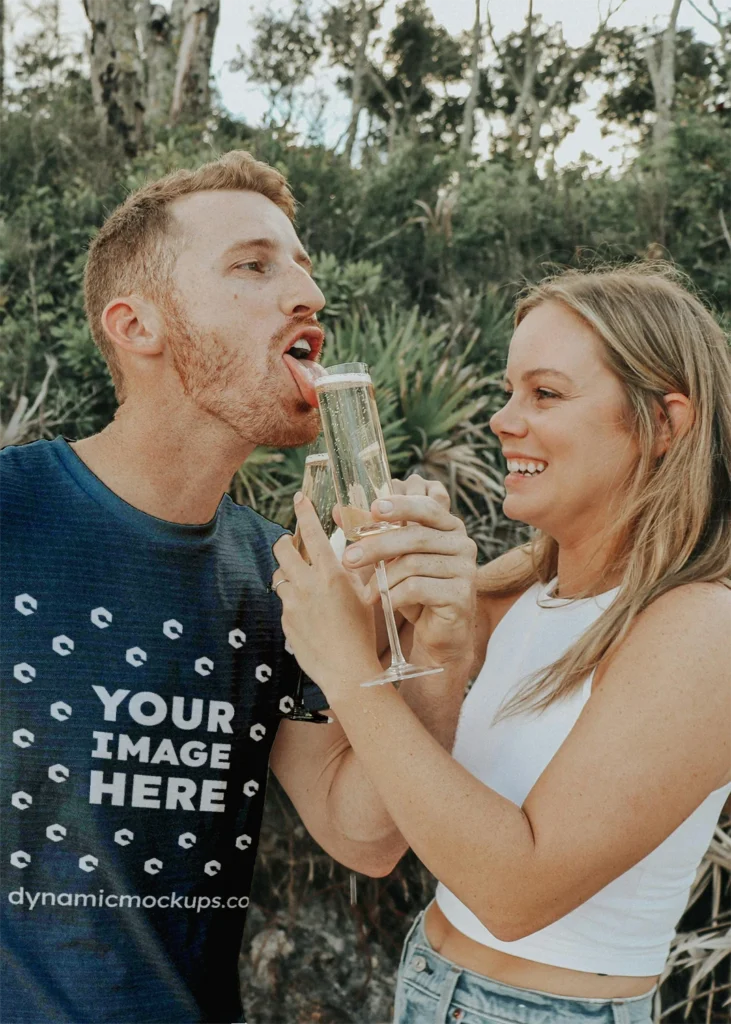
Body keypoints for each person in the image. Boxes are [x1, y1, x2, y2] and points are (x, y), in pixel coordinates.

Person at [0, 150, 477, 1024]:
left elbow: (362, 835)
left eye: (302, 266)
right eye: (254, 266)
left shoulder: (281, 576)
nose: (307, 295)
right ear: (135, 324)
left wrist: (440, 649)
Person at [274, 264, 731, 1024]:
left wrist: (349, 667)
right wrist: (419, 638)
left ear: (664, 424)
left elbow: (515, 892)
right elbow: (362, 831)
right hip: (426, 978)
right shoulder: (518, 586)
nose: (502, 419)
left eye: (544, 393)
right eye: (509, 390)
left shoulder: (701, 626)